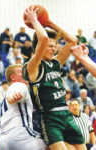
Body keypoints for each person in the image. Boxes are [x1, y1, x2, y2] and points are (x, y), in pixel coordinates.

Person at [22, 7, 86, 150]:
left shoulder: (56, 62)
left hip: (66, 113)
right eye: (50, 46)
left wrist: (49, 23)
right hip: (50, 117)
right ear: (39, 47)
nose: (53, 49)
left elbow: (72, 41)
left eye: (55, 46)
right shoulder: (32, 66)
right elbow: (43, 38)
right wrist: (34, 21)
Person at [0, 64, 47, 150]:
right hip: (20, 133)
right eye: (21, 71)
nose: (26, 73)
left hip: (3, 138)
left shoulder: (4, 98)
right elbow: (13, 94)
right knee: (54, 144)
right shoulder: (19, 85)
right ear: (13, 77)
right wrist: (13, 97)